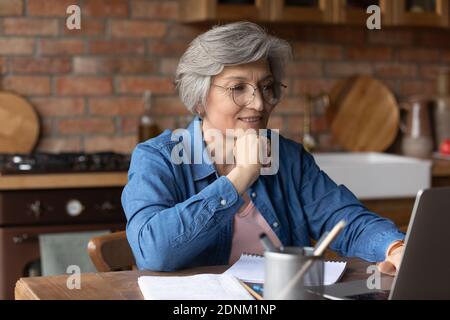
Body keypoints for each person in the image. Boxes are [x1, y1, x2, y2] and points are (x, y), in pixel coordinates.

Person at [121, 21, 404, 276]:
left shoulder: (289, 158)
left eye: (266, 87)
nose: (259, 103)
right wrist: (240, 177)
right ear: (199, 98)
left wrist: (394, 247)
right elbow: (154, 253)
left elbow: (345, 220)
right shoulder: (158, 158)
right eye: (238, 88)